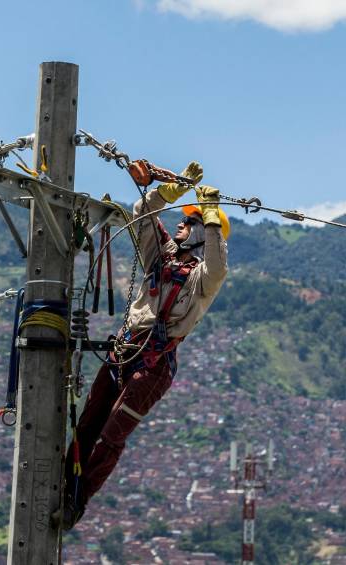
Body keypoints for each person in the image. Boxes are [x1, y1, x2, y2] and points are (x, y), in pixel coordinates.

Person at [58, 161, 230, 530]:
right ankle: (60, 482)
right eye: (184, 220)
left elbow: (217, 265)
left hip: (152, 366)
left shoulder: (202, 278)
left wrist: (212, 215)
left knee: (111, 436)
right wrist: (173, 189)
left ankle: (78, 499)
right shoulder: (161, 257)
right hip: (125, 351)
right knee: (89, 422)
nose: (183, 224)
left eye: (191, 222)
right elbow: (142, 213)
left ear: (203, 235)